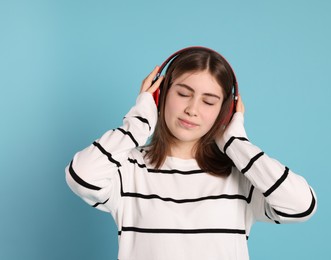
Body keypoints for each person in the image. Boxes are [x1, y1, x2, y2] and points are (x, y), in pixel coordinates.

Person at [65, 46, 317, 260]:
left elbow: (300, 206)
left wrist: (237, 143)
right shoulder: (127, 169)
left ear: (225, 112)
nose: (192, 109)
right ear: (159, 96)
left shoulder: (241, 177)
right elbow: (81, 176)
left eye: (208, 102)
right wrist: (138, 122)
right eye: (183, 94)